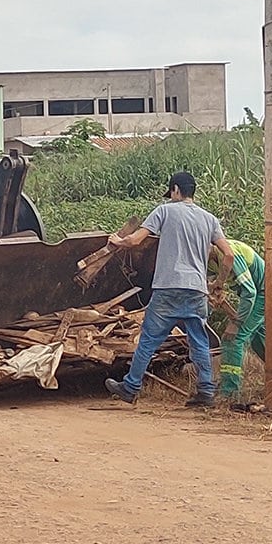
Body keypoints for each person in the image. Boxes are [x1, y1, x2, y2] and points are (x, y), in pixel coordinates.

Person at [104, 170, 233, 408]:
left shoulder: (164, 211)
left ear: (175, 190)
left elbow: (135, 240)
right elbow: (228, 255)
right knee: (199, 341)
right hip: (196, 290)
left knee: (149, 340)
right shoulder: (209, 219)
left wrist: (117, 241)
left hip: (168, 288)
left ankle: (130, 387)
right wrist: (218, 283)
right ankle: (205, 391)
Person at [209, 238, 267, 400]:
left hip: (263, 294)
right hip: (254, 294)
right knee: (258, 340)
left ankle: (229, 392)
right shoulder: (210, 258)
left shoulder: (228, 253)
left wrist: (237, 323)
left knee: (232, 339)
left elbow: (250, 292)